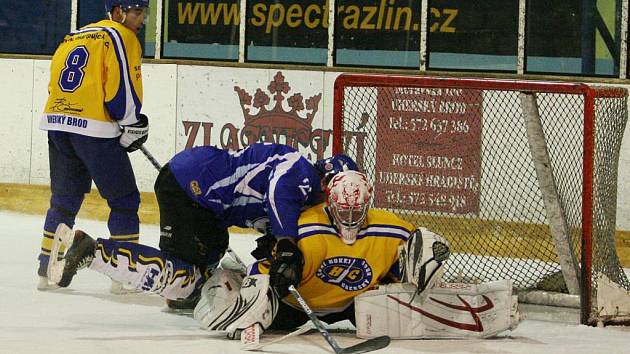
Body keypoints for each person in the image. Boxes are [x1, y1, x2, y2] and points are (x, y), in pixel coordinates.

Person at [49, 143, 358, 308]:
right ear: (329, 180)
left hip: (199, 195)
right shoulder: (300, 171)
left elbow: (268, 206)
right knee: (183, 277)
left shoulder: (302, 194)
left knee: (208, 258)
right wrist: (287, 242)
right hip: (190, 186)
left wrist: (275, 241)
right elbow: (279, 194)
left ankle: (180, 289)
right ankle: (92, 250)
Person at [193, 170, 452, 337]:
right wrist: (258, 300)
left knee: (398, 316)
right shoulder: (305, 229)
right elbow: (262, 272)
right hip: (295, 307)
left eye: (357, 211)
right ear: (329, 202)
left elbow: (419, 244)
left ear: (368, 204)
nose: (350, 217)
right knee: (220, 319)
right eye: (344, 210)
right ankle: (231, 273)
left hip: (355, 306)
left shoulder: (390, 227)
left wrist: (430, 251)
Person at [37, 0, 150, 292]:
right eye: (137, 12)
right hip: (94, 132)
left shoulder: (73, 35)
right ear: (117, 12)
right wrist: (130, 121)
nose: (142, 20)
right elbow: (121, 87)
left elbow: (54, 84)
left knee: (64, 200)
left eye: (144, 13)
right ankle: (123, 275)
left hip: (57, 124)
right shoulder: (121, 36)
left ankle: (45, 269)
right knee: (124, 200)